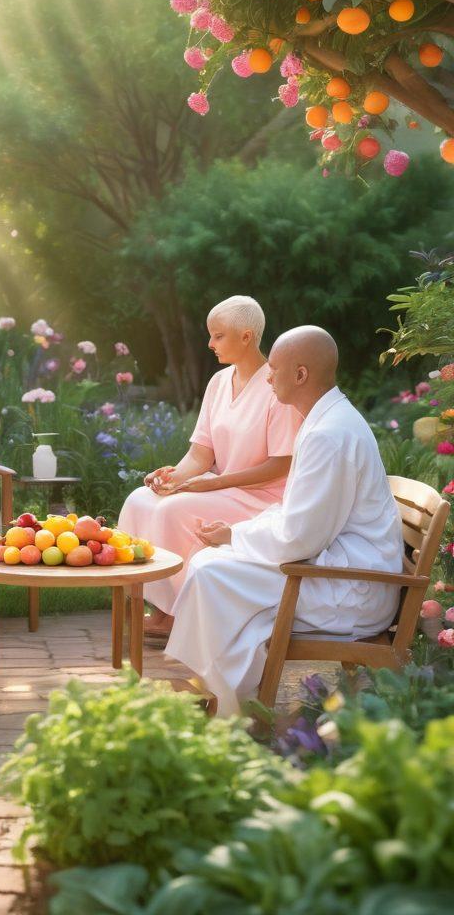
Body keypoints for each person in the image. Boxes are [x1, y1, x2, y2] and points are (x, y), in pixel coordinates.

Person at [166, 326, 403, 716]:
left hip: (355, 588)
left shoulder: (329, 434)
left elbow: (300, 538)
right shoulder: (324, 420)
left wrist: (235, 537)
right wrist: (235, 533)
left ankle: (228, 703)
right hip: (336, 566)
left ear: (301, 374)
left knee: (213, 572)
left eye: (274, 369)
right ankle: (223, 692)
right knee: (210, 563)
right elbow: (298, 515)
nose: (267, 377)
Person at [118, 296, 302, 639]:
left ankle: (174, 615)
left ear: (246, 337)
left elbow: (281, 465)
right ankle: (147, 602)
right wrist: (172, 477)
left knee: (173, 511)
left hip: (262, 498)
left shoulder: (276, 386)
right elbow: (201, 454)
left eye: (218, 336)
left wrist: (212, 484)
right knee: (139, 500)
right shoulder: (218, 382)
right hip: (223, 488)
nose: (210, 344)